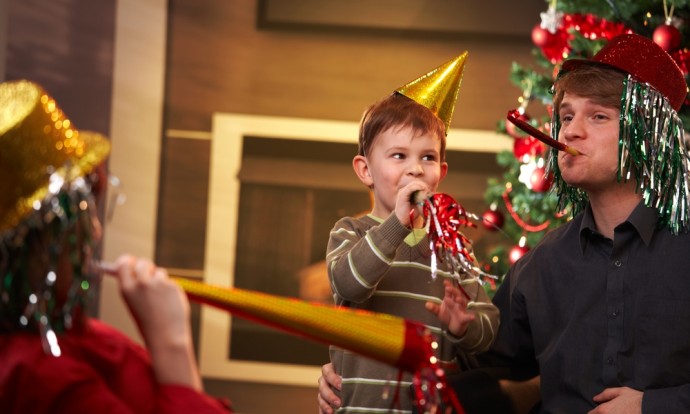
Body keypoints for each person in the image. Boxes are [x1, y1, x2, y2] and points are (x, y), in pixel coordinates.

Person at [320, 32, 690, 414]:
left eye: (598, 116)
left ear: (648, 133)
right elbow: (469, 361)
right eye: (565, 116)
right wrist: (351, 367)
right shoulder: (540, 267)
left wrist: (652, 406)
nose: (570, 131)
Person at [0, 80, 231, 413]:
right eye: (74, 222)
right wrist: (172, 344)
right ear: (30, 246)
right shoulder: (37, 373)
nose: (94, 233)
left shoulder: (82, 336)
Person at [325, 53, 500, 412]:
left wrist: (462, 326)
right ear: (365, 170)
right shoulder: (351, 232)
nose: (415, 170)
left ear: (442, 172)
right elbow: (349, 284)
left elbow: (488, 330)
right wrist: (397, 224)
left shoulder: (452, 246)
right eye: (399, 156)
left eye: (428, 158)